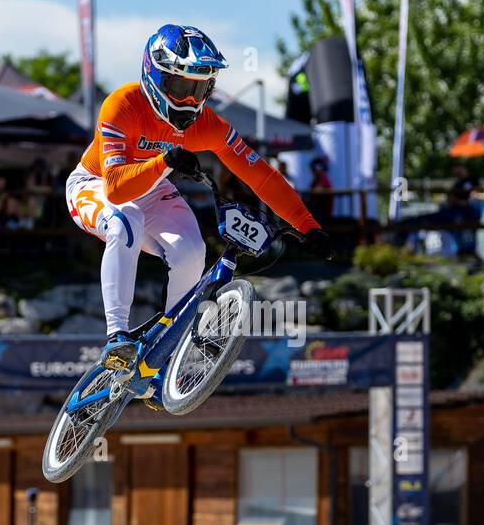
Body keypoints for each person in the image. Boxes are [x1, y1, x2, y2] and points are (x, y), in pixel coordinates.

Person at [65, 24, 332, 369]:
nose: (190, 101)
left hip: (152, 184)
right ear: (154, 76)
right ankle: (117, 337)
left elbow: (260, 175)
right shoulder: (122, 104)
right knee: (124, 220)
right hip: (96, 182)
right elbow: (116, 188)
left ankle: (168, 350)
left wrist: (308, 225)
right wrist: (164, 161)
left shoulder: (206, 124)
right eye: (180, 86)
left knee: (192, 252)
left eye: (200, 88)